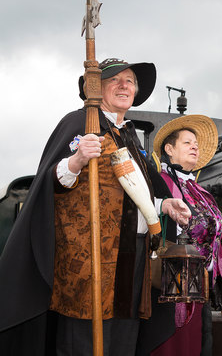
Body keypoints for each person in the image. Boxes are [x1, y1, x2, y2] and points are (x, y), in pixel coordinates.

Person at [0, 58, 191, 355]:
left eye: (129, 81)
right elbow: (51, 182)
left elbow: (132, 196)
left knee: (124, 339)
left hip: (133, 255)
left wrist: (165, 204)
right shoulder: (78, 123)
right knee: (85, 340)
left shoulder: (128, 135)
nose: (124, 85)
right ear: (96, 88)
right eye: (114, 80)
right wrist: (75, 160)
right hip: (89, 258)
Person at [150, 114, 222, 356]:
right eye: (187, 142)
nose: (194, 146)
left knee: (199, 344)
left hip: (200, 283)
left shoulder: (199, 190)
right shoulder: (159, 183)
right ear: (169, 149)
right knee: (175, 344)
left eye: (196, 143)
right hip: (171, 283)